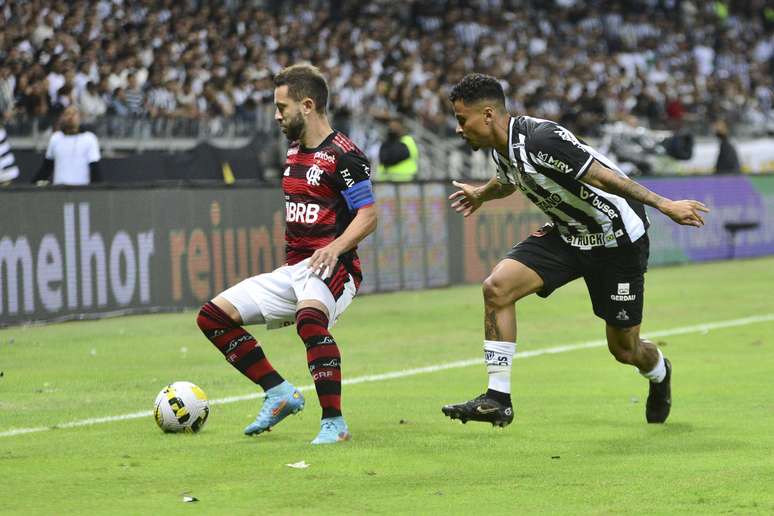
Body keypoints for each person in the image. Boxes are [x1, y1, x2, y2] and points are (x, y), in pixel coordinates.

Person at [441, 73, 709, 427]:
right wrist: (481, 194)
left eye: (462, 119)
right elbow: (509, 179)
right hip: (569, 235)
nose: (459, 128)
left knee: (625, 350)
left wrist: (665, 204)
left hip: (616, 240)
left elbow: (603, 176)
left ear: (488, 115)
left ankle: (659, 372)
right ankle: (497, 398)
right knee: (497, 288)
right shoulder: (502, 147)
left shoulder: (542, 139)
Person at [196, 64, 377, 444]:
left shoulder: (344, 156)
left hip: (335, 268)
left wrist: (334, 247)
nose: (277, 116)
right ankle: (278, 392)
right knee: (212, 317)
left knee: (310, 320)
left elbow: (369, 216)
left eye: (282, 107)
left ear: (307, 105)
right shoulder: (294, 149)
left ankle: (334, 423)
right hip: (295, 269)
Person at [33, 106, 102, 185]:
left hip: (81, 190)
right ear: (62, 118)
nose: (70, 117)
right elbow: (47, 167)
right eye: (67, 114)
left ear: (80, 117)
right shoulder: (55, 138)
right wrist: (33, 184)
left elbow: (95, 169)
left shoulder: (89, 138)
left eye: (74, 114)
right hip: (59, 190)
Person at [376, 117, 419, 181]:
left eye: (395, 127)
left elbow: (393, 157)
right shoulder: (387, 142)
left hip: (404, 182)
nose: (392, 129)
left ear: (402, 128)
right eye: (390, 127)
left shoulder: (407, 141)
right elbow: (383, 157)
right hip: (385, 182)